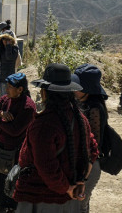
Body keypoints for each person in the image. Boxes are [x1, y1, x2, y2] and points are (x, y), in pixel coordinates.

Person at [13, 63, 99, 213]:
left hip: (41, 199)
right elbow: (92, 150)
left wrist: (66, 187)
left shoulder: (44, 125)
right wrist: (80, 181)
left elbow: (47, 167)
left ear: (45, 93)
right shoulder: (80, 119)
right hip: (67, 199)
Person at [0, 73, 36, 213]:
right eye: (6, 86)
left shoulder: (28, 107)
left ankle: (12, 208)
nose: (6, 90)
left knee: (13, 180)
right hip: (0, 149)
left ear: (20, 89)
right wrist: (1, 115)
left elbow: (15, 131)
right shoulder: (5, 99)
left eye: (10, 87)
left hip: (16, 152)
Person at [71, 64, 108, 213]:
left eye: (77, 86)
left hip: (89, 166)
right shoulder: (82, 102)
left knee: (79, 206)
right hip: (82, 164)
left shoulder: (94, 109)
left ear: (87, 89)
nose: (73, 89)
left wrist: (83, 174)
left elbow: (94, 145)